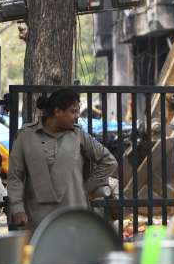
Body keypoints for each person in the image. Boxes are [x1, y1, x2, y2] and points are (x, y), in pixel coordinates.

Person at [7, 89, 118, 232]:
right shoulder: (26, 135)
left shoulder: (79, 134)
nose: (77, 116)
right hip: (37, 221)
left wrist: (88, 188)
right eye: (73, 112)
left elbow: (108, 160)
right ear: (58, 111)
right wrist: (18, 209)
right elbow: (15, 176)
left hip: (74, 219)